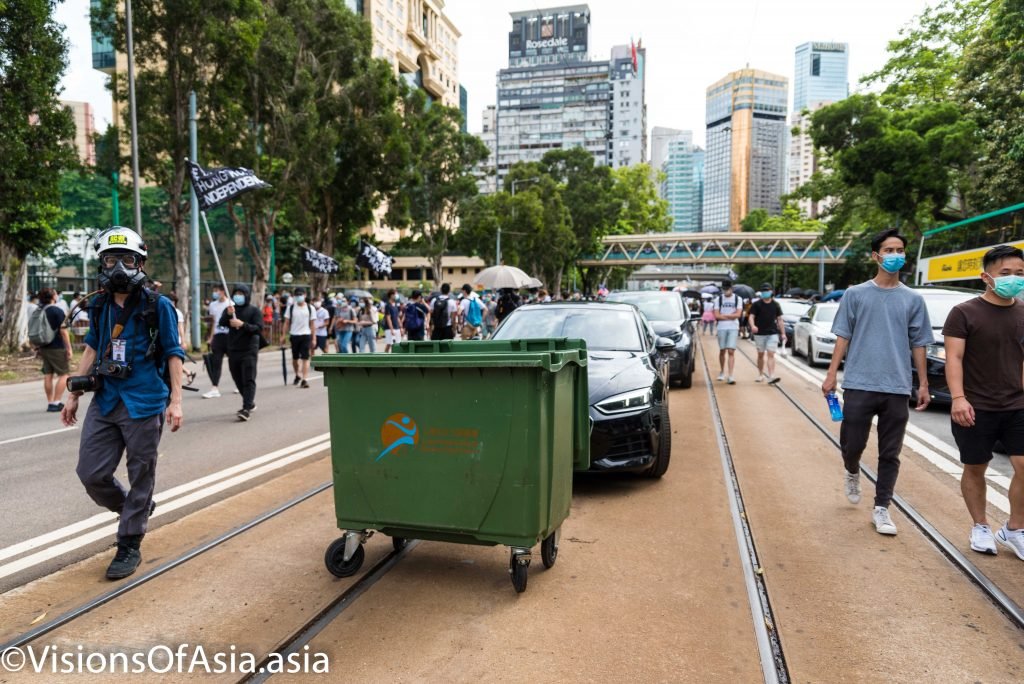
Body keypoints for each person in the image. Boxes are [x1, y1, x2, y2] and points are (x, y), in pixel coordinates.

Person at [61, 226, 185, 579]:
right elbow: (91, 348)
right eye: (111, 259)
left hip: (144, 402)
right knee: (91, 473)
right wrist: (73, 393)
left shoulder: (158, 306)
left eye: (127, 259)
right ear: (101, 263)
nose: (119, 266)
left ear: (141, 261)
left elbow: (173, 353)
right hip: (106, 399)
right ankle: (136, 508)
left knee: (140, 474)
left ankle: (129, 541)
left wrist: (176, 401)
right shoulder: (98, 305)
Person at [822, 228, 932, 536]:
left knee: (890, 452)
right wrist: (831, 375)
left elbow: (919, 343)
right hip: (859, 382)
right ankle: (852, 469)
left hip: (897, 386)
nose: (896, 255)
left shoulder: (913, 299)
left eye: (900, 250)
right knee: (851, 445)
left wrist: (922, 383)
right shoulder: (855, 294)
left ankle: (882, 508)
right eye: (889, 250)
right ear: (876, 255)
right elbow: (843, 336)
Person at [943, 245, 1024, 558]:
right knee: (976, 467)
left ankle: (1014, 528)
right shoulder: (964, 313)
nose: (1014, 279)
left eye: (1019, 273)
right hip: (975, 405)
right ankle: (980, 525)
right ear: (985, 276)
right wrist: (958, 398)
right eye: (1006, 273)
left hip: (1017, 404)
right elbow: (954, 358)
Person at [221, 285, 263, 421]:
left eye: (241, 293)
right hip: (233, 349)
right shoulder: (230, 310)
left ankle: (246, 409)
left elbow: (258, 328)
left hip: (249, 349)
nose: (238, 296)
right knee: (237, 378)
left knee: (248, 378)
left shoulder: (254, 311)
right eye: (236, 293)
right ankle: (249, 402)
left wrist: (242, 324)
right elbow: (222, 323)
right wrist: (228, 315)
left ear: (246, 295)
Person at [31, 288, 72, 412]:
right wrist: (69, 348)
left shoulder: (38, 310)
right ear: (53, 296)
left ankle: (50, 402)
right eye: (55, 293)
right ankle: (56, 402)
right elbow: (63, 331)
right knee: (64, 374)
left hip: (44, 346)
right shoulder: (56, 311)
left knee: (48, 374)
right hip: (57, 347)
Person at [748, 283, 785, 384]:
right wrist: (753, 326)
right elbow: (751, 317)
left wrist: (783, 333)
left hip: (772, 333)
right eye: (763, 291)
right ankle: (760, 374)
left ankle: (771, 376)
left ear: (771, 291)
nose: (765, 292)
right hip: (759, 333)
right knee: (760, 355)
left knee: (771, 354)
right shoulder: (756, 304)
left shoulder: (776, 305)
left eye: (767, 290)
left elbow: (780, 319)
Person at [281, 287, 315, 388]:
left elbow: (312, 324)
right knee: (295, 359)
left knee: (305, 357)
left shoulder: (310, 308)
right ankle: (297, 375)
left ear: (305, 295)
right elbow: (286, 323)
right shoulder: (290, 308)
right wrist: (283, 335)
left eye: (301, 295)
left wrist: (314, 338)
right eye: (297, 295)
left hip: (306, 335)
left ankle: (304, 379)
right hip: (294, 335)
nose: (299, 297)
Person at [203, 285, 230, 398]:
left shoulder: (230, 304)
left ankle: (240, 384)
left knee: (234, 362)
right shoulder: (212, 305)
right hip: (218, 336)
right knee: (216, 362)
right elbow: (213, 322)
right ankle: (215, 388)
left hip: (230, 336)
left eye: (217, 291)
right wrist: (211, 337)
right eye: (214, 291)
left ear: (223, 291)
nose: (215, 293)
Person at [714, 282, 743, 385]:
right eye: (724, 289)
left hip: (733, 327)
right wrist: (731, 316)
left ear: (732, 288)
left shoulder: (738, 299)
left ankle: (730, 375)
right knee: (722, 350)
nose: (726, 291)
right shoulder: (718, 299)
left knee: (731, 350)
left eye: (727, 289)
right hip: (722, 327)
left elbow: (738, 314)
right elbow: (717, 315)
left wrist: (724, 316)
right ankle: (722, 371)